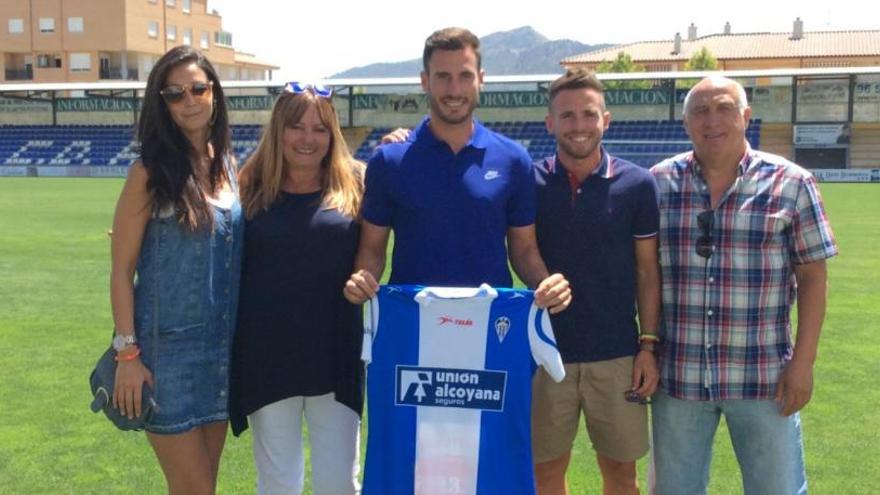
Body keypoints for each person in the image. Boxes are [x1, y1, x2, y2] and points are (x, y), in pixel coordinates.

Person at [650, 76, 838, 495]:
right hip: (679, 377)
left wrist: (803, 362)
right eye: (700, 111)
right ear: (685, 124)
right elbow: (643, 274)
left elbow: (813, 277)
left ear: (746, 117)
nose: (712, 120)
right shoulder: (659, 184)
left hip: (764, 377)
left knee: (778, 488)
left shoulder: (792, 183)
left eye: (723, 108)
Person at [343, 26, 570, 312]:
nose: (454, 90)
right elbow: (372, 250)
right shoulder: (389, 162)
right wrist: (363, 279)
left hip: (491, 323)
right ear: (425, 81)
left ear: (481, 80)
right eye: (443, 77)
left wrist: (545, 283)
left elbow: (523, 251)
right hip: (413, 324)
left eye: (465, 76)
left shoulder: (513, 160)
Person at [108, 45, 241, 494]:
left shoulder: (228, 166)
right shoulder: (146, 174)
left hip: (222, 355)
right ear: (161, 104)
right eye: (174, 93)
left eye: (198, 88)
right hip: (165, 359)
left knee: (205, 487)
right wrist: (128, 355)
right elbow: (121, 271)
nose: (189, 100)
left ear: (214, 94)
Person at [230, 82, 365, 495]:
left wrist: (403, 139)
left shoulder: (358, 184)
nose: (308, 139)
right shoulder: (247, 185)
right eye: (297, 126)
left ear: (333, 135)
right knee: (277, 485)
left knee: (339, 485)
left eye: (319, 128)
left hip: (337, 357)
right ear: (278, 131)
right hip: (269, 359)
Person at [531, 69, 661, 495]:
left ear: (606, 118)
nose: (579, 125)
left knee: (622, 476)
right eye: (567, 116)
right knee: (545, 473)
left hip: (617, 356)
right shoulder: (529, 182)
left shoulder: (637, 185)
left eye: (588, 114)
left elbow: (646, 271)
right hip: (545, 354)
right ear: (550, 123)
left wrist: (648, 345)